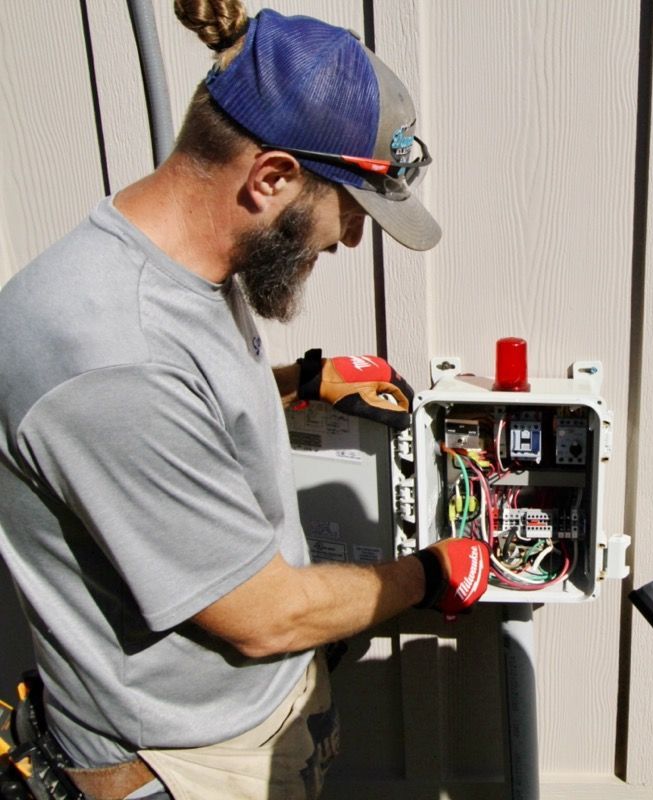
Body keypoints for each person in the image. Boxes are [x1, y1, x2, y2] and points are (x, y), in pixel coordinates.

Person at [0, 2, 489, 798]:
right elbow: (266, 618)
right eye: (353, 213)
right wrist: (431, 574)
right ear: (271, 179)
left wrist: (299, 383)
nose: (351, 241)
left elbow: (178, 413)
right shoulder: (113, 356)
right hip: (177, 764)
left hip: (240, 723)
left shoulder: (177, 268)